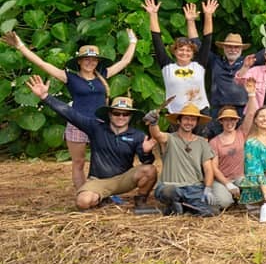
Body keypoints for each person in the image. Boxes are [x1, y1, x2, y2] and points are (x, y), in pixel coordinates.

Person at [4, 28, 138, 191]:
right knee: (79, 161)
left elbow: (124, 62)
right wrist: (21, 46)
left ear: (98, 62)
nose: (90, 62)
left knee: (105, 159)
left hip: (101, 124)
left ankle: (105, 191)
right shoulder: (70, 77)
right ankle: (82, 192)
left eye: (94, 60)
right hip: (77, 122)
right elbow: (42, 64)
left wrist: (133, 42)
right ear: (79, 62)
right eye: (86, 59)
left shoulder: (103, 75)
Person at [25, 76, 156, 210]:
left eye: (125, 114)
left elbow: (147, 162)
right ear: (109, 114)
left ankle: (141, 202)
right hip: (98, 180)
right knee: (83, 202)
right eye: (117, 113)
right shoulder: (96, 128)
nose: (121, 117)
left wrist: (146, 152)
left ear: (130, 116)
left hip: (124, 179)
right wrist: (45, 96)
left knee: (150, 170)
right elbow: (69, 113)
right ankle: (102, 198)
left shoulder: (138, 135)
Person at [145, 103, 220, 217]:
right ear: (179, 121)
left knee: (213, 210)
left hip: (193, 188)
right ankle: (179, 206)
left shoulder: (202, 142)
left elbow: (208, 169)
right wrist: (153, 123)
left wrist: (208, 188)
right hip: (171, 185)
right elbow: (157, 135)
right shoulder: (169, 138)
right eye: (186, 119)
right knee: (169, 192)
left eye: (193, 120)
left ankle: (181, 209)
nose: (189, 122)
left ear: (196, 122)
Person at [143, 0, 210, 114]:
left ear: (193, 53)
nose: (184, 53)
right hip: (175, 115)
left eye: (188, 50)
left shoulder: (199, 65)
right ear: (174, 51)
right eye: (181, 50)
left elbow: (207, 38)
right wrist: (153, 15)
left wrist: (208, 15)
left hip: (199, 113)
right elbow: (157, 40)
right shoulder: (168, 67)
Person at [206, 106, 248, 212]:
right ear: (221, 121)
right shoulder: (214, 142)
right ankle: (231, 196)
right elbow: (214, 167)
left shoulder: (242, 133)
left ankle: (239, 197)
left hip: (240, 177)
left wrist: (252, 94)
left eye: (232, 119)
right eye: (226, 119)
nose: (229, 123)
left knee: (254, 190)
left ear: (237, 120)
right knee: (224, 202)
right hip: (222, 179)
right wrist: (227, 184)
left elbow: (251, 114)